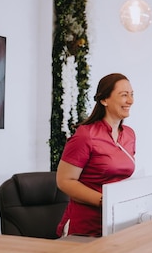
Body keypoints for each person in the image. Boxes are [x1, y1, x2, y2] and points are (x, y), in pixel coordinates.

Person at [56, 73, 136, 237]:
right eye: (124, 95)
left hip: (118, 222)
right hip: (87, 226)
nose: (130, 101)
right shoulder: (86, 135)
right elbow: (64, 181)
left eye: (131, 94)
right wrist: (105, 202)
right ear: (104, 100)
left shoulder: (129, 135)